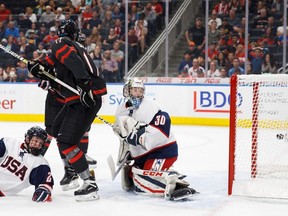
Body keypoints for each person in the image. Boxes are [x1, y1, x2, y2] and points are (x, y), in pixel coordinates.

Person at [28, 19, 107, 201]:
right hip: (80, 99)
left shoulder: (61, 44)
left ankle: (89, 183)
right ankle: (74, 164)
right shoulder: (74, 46)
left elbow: (72, 63)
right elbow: (47, 64)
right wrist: (35, 66)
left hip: (83, 98)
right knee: (56, 130)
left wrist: (85, 85)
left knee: (65, 142)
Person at [112, 78, 197, 201]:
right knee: (133, 175)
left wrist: (140, 137)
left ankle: (175, 187)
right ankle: (170, 176)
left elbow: (163, 126)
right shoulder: (121, 109)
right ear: (127, 91)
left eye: (140, 90)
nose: (137, 93)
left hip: (162, 151)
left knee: (141, 181)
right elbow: (123, 136)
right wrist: (126, 151)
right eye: (135, 90)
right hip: (143, 155)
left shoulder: (150, 105)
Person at [0, 126, 54, 202]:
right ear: (28, 139)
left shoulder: (40, 163)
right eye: (35, 141)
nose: (37, 145)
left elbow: (45, 186)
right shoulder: (10, 143)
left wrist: (42, 191)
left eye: (40, 143)